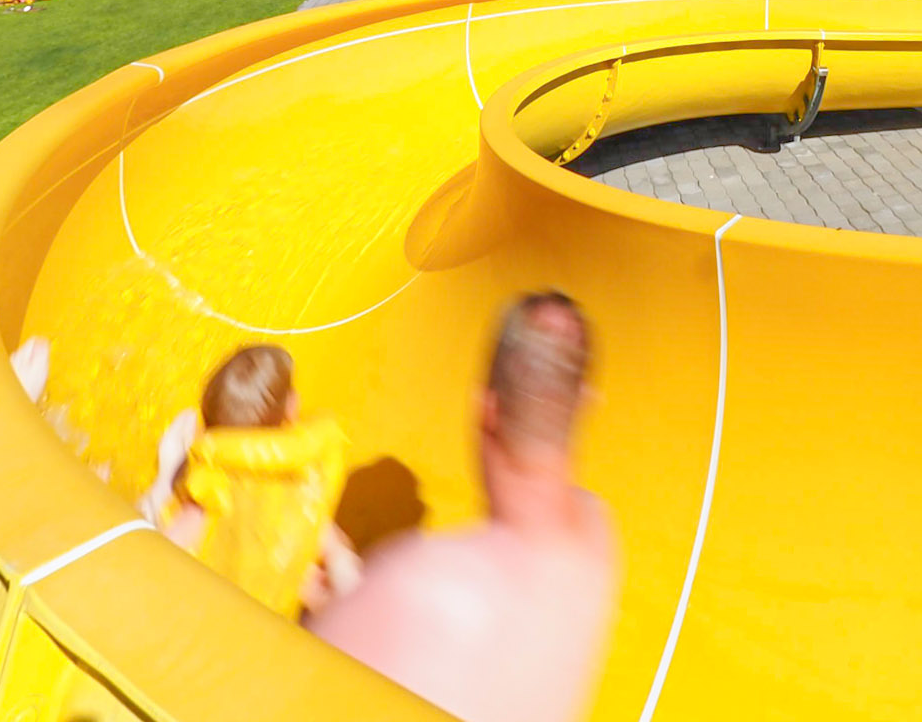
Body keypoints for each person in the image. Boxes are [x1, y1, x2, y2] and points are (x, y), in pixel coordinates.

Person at [311, 293, 616, 722]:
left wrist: (346, 605)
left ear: (486, 410)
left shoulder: (418, 584)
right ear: (584, 402)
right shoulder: (596, 530)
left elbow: (286, 693)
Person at [145, 345, 356, 618]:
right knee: (310, 582)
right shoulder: (303, 477)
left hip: (219, 610)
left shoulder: (214, 479)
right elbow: (325, 542)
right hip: (268, 614)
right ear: (291, 409)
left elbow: (164, 549)